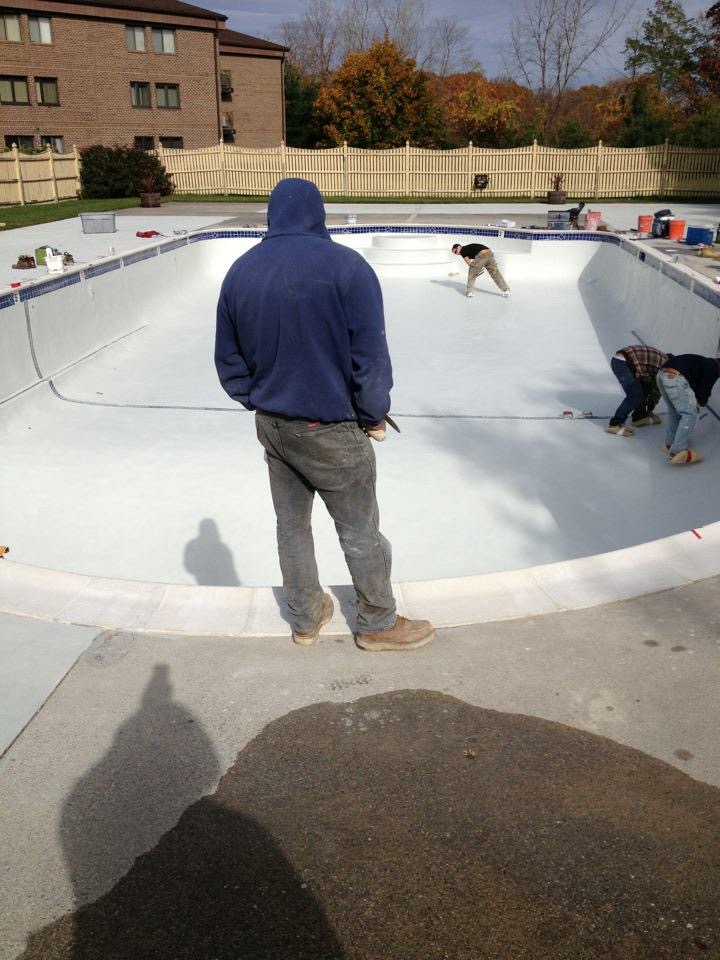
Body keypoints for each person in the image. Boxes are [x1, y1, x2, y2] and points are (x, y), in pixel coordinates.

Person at [215, 178, 434, 651]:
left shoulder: (240, 271)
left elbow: (228, 361)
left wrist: (258, 397)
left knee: (291, 527)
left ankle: (305, 617)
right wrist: (374, 415)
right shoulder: (347, 268)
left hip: (272, 426)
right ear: (319, 215)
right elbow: (371, 359)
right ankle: (377, 624)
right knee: (359, 530)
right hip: (330, 428)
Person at [656, 353, 720, 464]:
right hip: (676, 378)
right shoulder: (713, 368)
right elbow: (703, 391)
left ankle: (669, 443)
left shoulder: (704, 362)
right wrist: (701, 402)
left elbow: (694, 384)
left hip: (662, 375)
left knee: (674, 412)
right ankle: (677, 452)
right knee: (690, 414)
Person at [606, 344, 667, 437]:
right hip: (622, 362)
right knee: (635, 395)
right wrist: (650, 409)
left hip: (627, 362)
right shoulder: (665, 368)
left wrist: (648, 408)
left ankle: (639, 416)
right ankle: (615, 423)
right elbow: (657, 389)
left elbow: (651, 385)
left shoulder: (664, 360)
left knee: (644, 387)